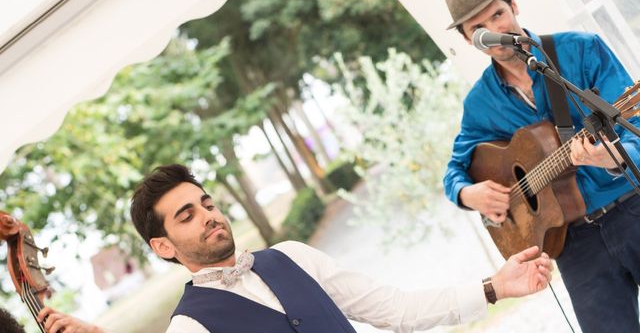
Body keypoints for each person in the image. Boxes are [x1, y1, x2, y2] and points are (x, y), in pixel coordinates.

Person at [37, 163, 552, 333]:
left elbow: (395, 308)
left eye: (206, 202)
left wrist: (494, 286)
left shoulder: (291, 255)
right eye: (186, 216)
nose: (209, 215)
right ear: (164, 247)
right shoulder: (190, 326)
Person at [442, 0, 640, 333]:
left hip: (631, 208)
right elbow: (454, 171)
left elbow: (636, 130)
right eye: (480, 29)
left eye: (498, 14)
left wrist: (612, 158)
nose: (496, 30)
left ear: (514, 5)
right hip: (575, 243)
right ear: (469, 41)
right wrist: (469, 193)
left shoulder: (581, 51)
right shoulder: (480, 104)